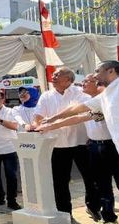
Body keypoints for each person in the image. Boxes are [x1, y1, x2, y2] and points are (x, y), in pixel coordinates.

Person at [38, 74, 118, 222]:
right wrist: (50, 123)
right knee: (102, 183)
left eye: (88, 81)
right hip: (88, 146)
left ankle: (98, 209)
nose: (83, 83)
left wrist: (52, 120)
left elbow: (77, 113)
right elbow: (78, 117)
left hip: (107, 146)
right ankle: (107, 216)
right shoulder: (94, 99)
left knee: (99, 181)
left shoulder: (105, 98)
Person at [32, 67, 100, 219]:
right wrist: (37, 126)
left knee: (91, 178)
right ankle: (65, 214)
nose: (53, 76)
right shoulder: (47, 95)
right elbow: (38, 115)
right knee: (60, 182)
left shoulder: (81, 92)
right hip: (58, 145)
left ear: (68, 79)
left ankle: (93, 207)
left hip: (82, 143)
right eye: (54, 74)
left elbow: (77, 112)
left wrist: (53, 121)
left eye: (57, 75)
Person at [41, 61, 119, 152]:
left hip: (108, 145)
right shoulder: (105, 95)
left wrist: (53, 121)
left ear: (111, 71)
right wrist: (53, 119)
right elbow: (79, 110)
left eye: (98, 71)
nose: (95, 75)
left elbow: (80, 116)